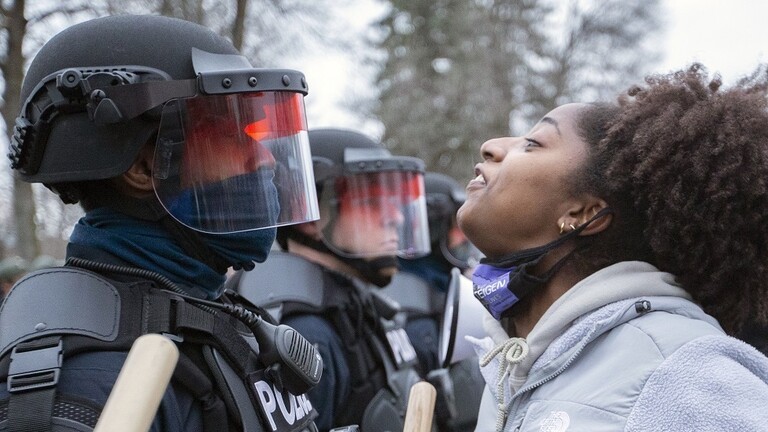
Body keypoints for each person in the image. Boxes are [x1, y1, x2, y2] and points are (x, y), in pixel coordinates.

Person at [1, 15, 323, 432]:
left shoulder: (210, 318)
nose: (265, 158)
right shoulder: (91, 384)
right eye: (229, 134)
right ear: (144, 167)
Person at [458, 64, 768, 432]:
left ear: (584, 213)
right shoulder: (509, 369)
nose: (492, 146)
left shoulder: (684, 373)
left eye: (533, 143)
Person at [227, 128, 431, 432]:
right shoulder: (305, 333)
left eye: (394, 202)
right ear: (311, 217)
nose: (396, 217)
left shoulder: (355, 307)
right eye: (371, 201)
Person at [382, 171, 484, 431]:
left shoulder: (442, 290)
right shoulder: (416, 319)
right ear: (432, 229)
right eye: (456, 226)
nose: (464, 237)